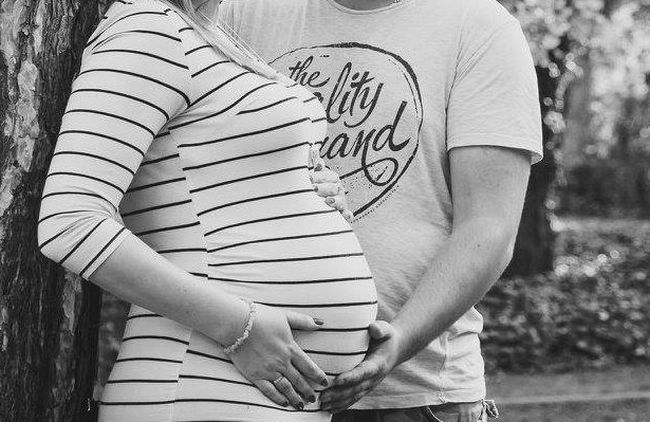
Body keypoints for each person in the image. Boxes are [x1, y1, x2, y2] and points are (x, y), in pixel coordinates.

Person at [37, 0, 377, 420]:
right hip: (200, 375)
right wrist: (240, 329)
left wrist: (308, 189)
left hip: (266, 390)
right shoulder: (149, 29)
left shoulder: (207, 33)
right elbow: (71, 220)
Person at [218, 0, 543, 420]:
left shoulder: (479, 27)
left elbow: (488, 227)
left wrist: (399, 342)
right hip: (245, 382)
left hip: (415, 396)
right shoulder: (238, 13)